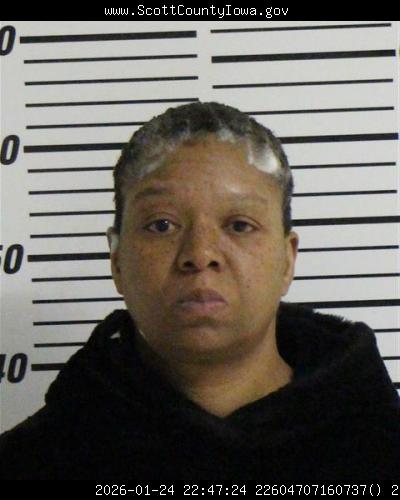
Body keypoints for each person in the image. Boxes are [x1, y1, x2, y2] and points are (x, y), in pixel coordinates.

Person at [0, 101, 399, 480]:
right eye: (161, 225)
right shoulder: (29, 462)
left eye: (239, 225)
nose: (200, 254)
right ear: (117, 260)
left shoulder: (381, 448)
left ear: (287, 260)